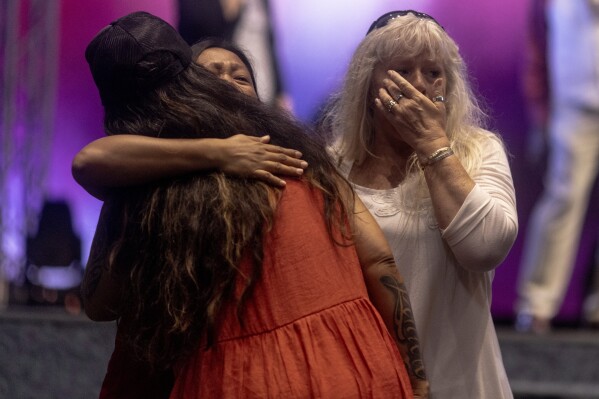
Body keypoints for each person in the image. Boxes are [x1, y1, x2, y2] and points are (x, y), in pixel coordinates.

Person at [80, 11, 428, 398]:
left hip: (336, 360)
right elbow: (101, 300)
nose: (228, 83)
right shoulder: (157, 181)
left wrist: (416, 375)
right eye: (212, 75)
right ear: (189, 89)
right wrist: (218, 153)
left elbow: (379, 261)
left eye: (241, 76)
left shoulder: (305, 160)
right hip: (259, 373)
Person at [322, 10, 518, 398]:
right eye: (402, 71)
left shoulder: (480, 151)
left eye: (433, 73)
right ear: (368, 81)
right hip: (367, 381)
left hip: (461, 383)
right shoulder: (332, 165)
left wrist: (432, 145)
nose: (419, 86)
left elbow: (486, 248)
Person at [515, 0, 599, 334]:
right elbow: (537, 47)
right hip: (572, 108)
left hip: (575, 105)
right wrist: (540, 114)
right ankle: (535, 305)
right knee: (562, 199)